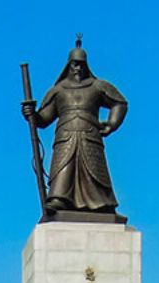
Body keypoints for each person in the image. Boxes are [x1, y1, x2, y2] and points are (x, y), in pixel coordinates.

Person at [20, 38, 128, 214]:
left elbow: (119, 103)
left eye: (81, 64)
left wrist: (111, 124)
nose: (78, 68)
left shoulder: (97, 86)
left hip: (90, 134)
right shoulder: (59, 90)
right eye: (74, 64)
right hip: (65, 135)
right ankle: (59, 199)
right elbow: (44, 119)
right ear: (68, 65)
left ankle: (101, 203)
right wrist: (31, 114)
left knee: (94, 171)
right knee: (64, 167)